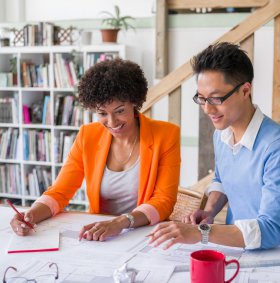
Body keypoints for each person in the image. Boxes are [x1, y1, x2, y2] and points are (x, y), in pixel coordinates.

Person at [149, 42, 280, 250]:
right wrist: (210, 212)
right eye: (202, 98)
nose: (207, 109)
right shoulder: (222, 134)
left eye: (215, 98)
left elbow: (271, 229)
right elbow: (222, 179)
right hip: (237, 242)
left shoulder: (278, 146)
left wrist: (200, 233)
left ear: (245, 91)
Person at [10, 59, 181, 241]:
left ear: (134, 102)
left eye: (120, 111)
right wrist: (30, 215)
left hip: (145, 234)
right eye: (102, 113)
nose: (112, 122)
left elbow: (164, 201)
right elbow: (60, 191)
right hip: (100, 235)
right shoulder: (88, 135)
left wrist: (121, 222)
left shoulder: (166, 135)